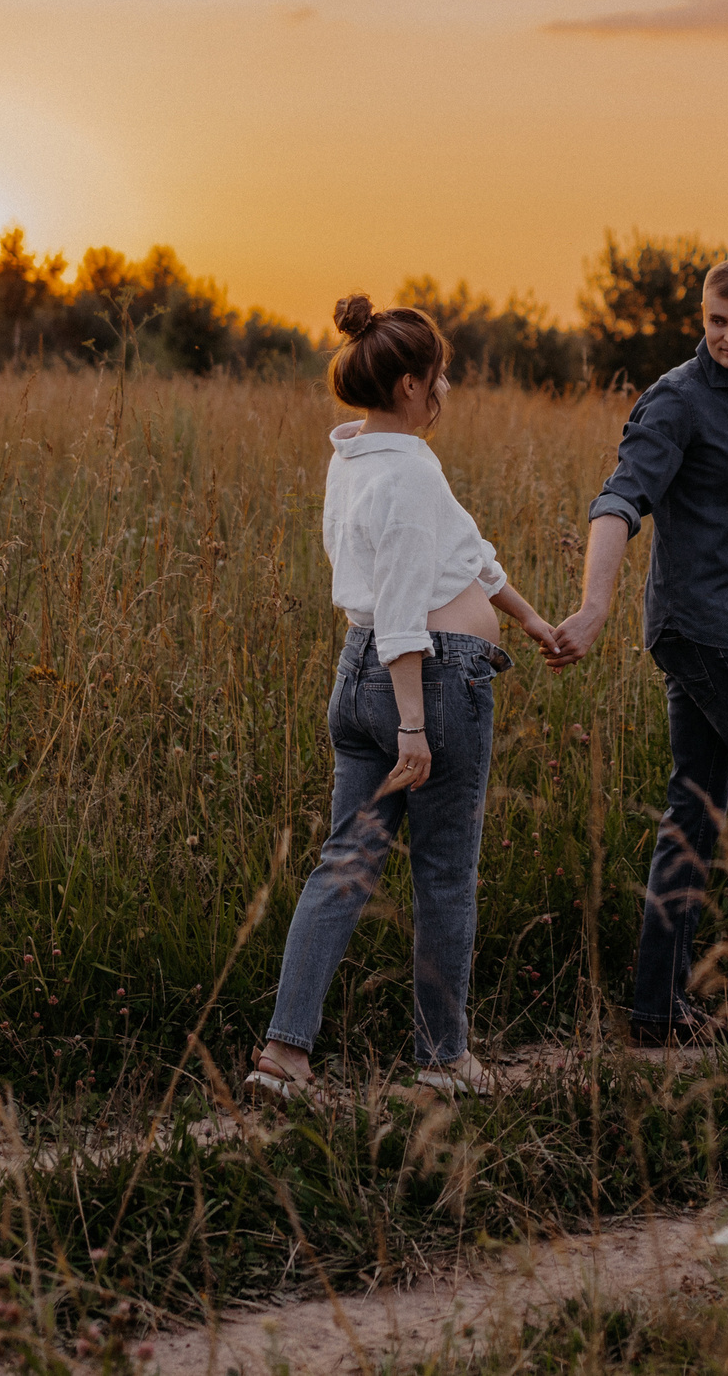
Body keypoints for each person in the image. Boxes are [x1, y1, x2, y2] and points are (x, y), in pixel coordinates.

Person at [247, 294, 560, 1102]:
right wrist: (415, 722)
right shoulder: (414, 470)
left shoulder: (353, 457)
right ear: (415, 384)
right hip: (427, 680)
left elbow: (464, 548)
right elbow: (401, 602)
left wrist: (528, 620)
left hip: (356, 680)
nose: (447, 391)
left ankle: (285, 1056)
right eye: (443, 376)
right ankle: (443, 1059)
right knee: (446, 875)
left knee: (344, 867)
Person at [547, 258, 728, 1045]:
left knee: (695, 812)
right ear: (703, 317)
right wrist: (596, 604)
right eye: (715, 321)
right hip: (696, 627)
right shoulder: (675, 400)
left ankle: (657, 1010)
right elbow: (618, 499)